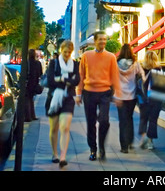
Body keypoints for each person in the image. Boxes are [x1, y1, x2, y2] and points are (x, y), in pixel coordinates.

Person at [75, 31, 122, 161]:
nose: (103, 42)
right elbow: (81, 75)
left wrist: (118, 94)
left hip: (104, 93)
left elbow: (115, 76)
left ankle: (101, 147)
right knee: (91, 123)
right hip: (89, 92)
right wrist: (78, 93)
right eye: (100, 39)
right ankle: (93, 149)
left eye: (105, 39)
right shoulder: (86, 55)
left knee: (104, 121)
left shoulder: (111, 57)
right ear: (95, 41)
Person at [45, 40, 80, 168]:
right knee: (54, 128)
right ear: (61, 50)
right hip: (53, 98)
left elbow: (77, 80)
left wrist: (60, 79)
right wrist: (65, 80)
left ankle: (63, 157)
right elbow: (50, 81)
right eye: (65, 52)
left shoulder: (75, 64)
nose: (67, 54)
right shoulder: (54, 63)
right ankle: (55, 154)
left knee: (65, 127)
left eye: (69, 52)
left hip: (68, 98)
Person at [115, 43, 145, 153]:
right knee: (129, 118)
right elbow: (142, 75)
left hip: (120, 95)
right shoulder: (135, 64)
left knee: (122, 121)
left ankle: (124, 146)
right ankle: (130, 141)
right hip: (132, 95)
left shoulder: (116, 63)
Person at [138, 51, 163, 151]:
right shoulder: (159, 69)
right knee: (153, 120)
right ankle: (150, 141)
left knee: (144, 118)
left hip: (145, 98)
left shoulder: (144, 70)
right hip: (157, 98)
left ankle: (143, 138)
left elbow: (141, 83)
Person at [25, 49, 43, 122]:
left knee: (27, 99)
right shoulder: (38, 63)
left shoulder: (27, 63)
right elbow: (40, 73)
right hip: (35, 83)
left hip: (28, 83)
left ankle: (28, 116)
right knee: (31, 99)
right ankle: (32, 115)